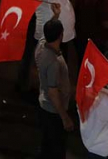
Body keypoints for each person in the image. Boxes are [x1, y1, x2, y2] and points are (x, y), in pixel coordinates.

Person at [36, 17, 73, 159]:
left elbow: (46, 34)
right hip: (53, 112)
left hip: (43, 106)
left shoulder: (40, 47)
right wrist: (64, 117)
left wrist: (54, 17)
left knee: (46, 144)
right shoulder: (53, 62)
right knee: (57, 149)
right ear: (61, 35)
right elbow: (53, 92)